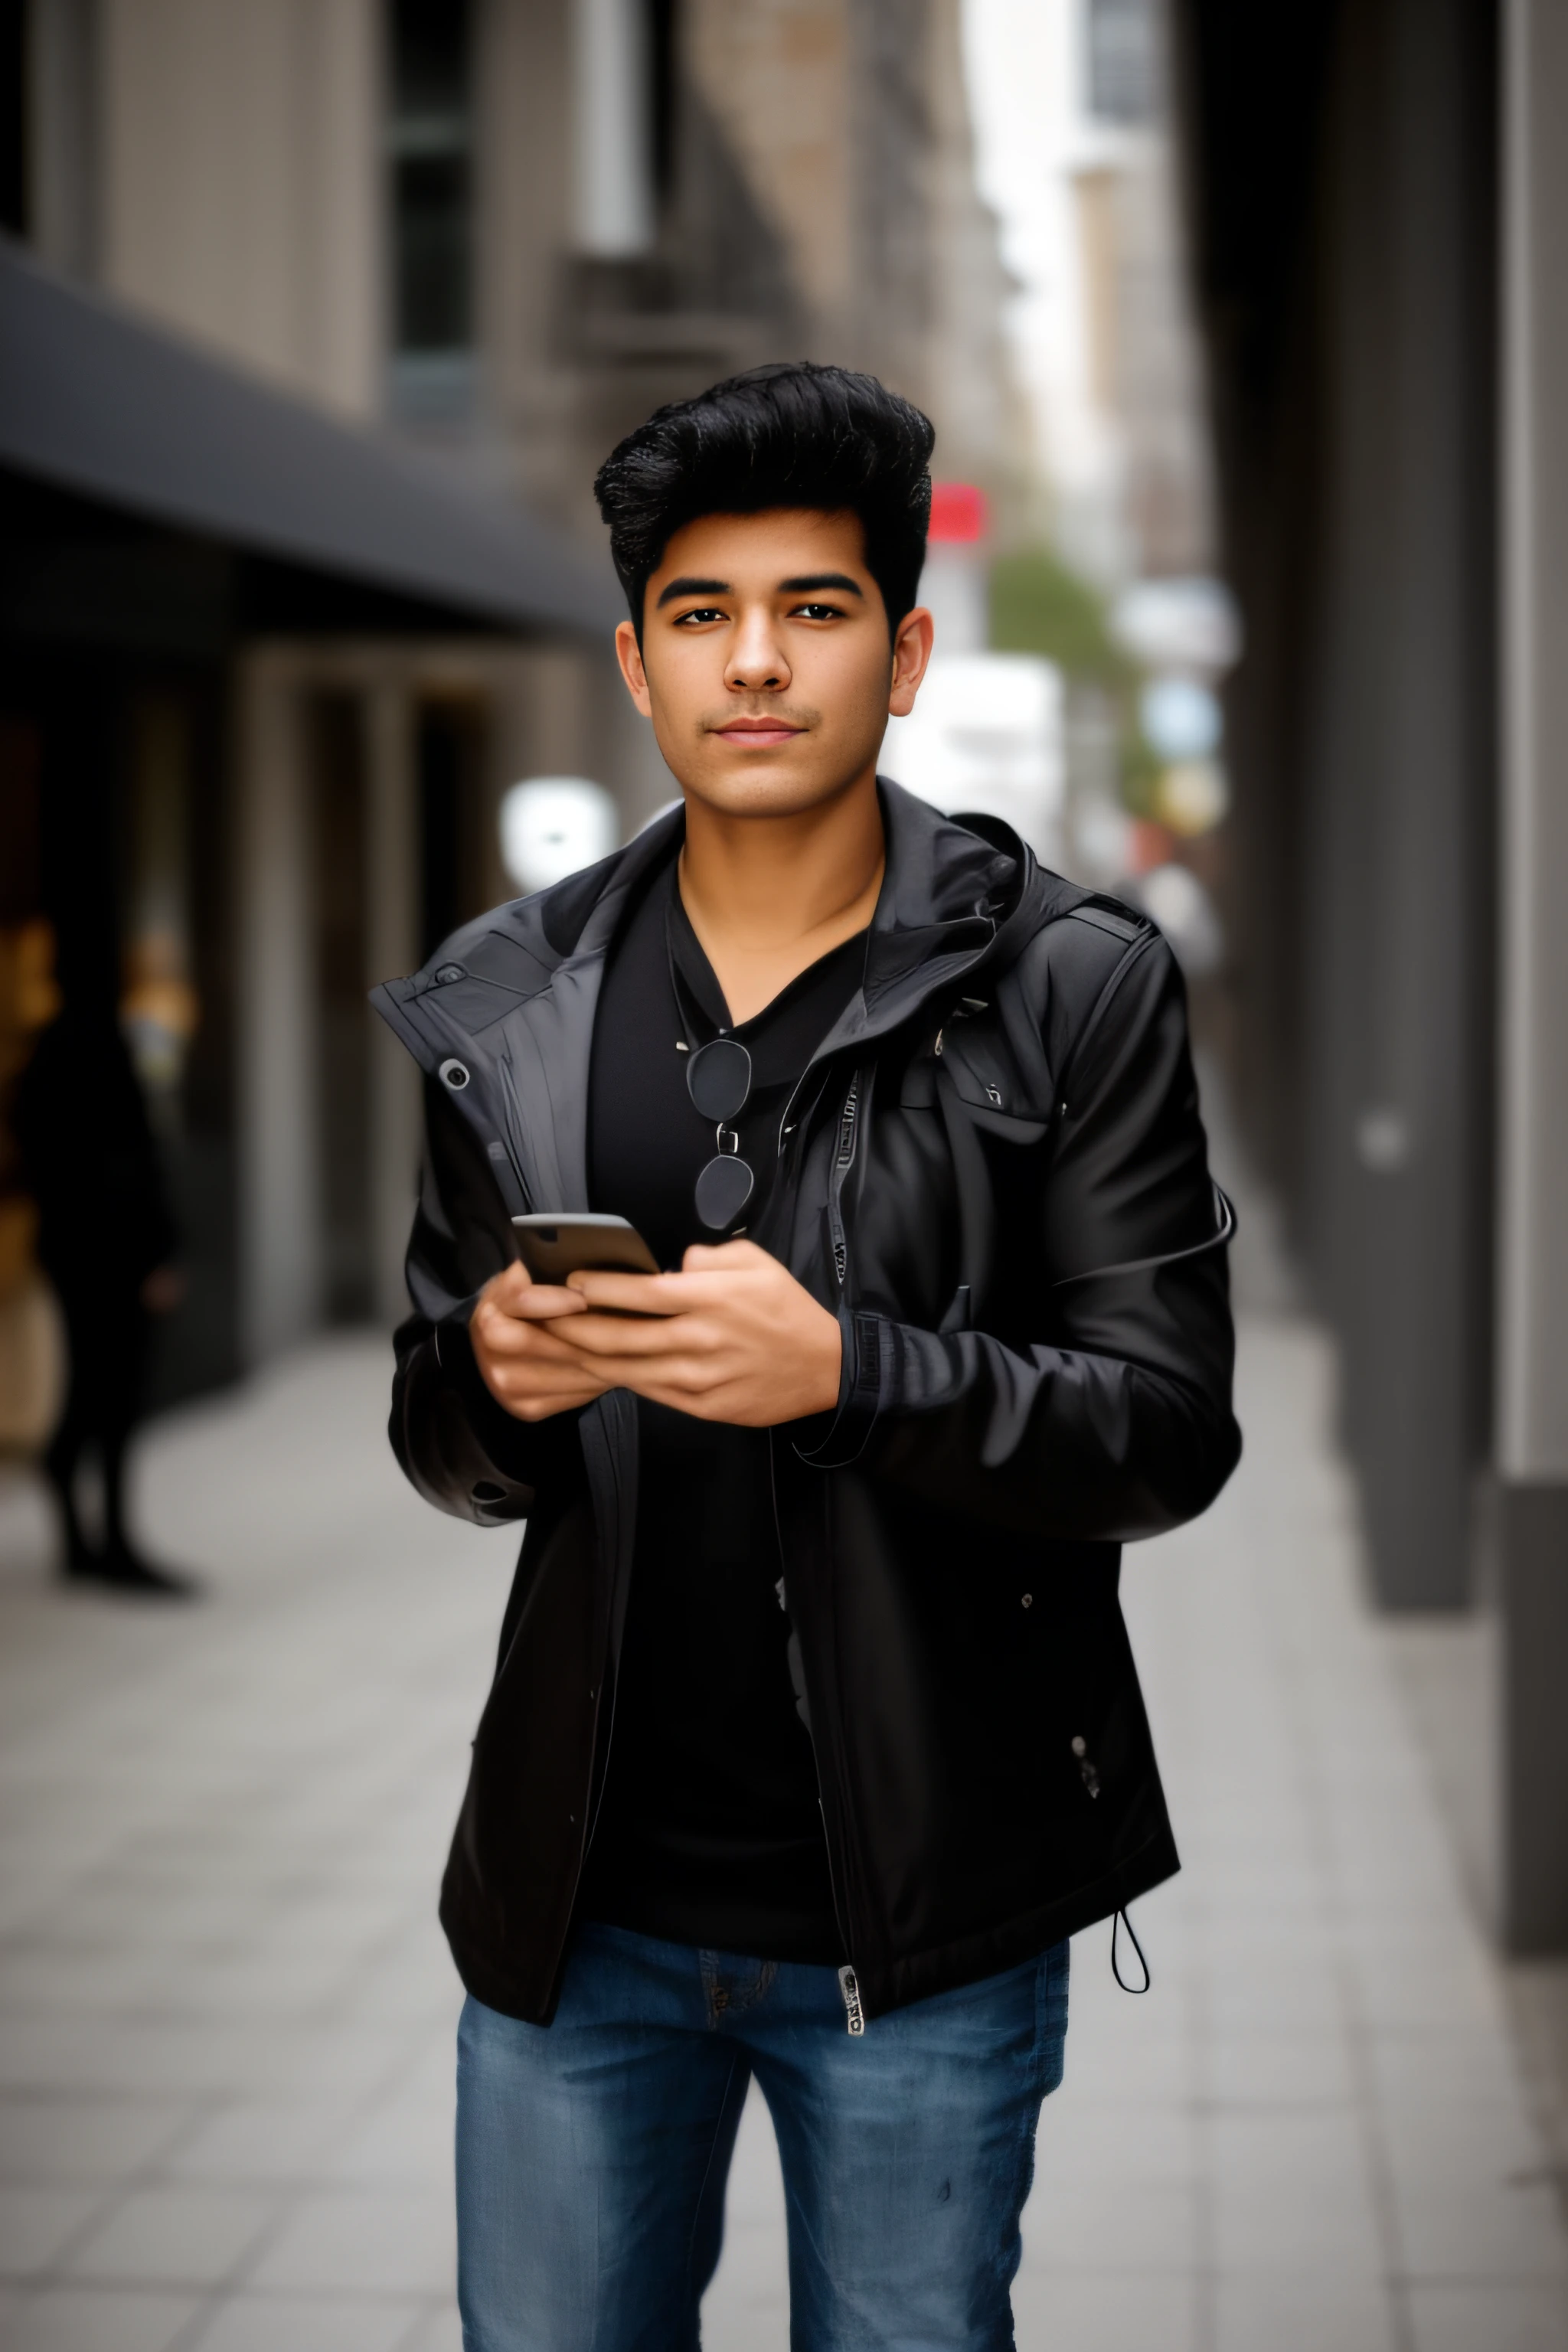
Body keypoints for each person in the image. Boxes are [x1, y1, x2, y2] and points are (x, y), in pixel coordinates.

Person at [375, 362, 1240, 2350]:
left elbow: (1169, 1429)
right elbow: (443, 1435)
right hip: (572, 1910)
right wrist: (498, 1376)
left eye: (814, 608)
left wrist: (849, 1374)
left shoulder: (1073, 987)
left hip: (920, 1920)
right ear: (634, 661)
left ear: (907, 648)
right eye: (701, 615)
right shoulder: (505, 1005)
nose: (754, 663)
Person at [14, 959, 194, 1598]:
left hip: (71, 1250)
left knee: (92, 1392)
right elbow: (135, 1159)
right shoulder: (102, 1050)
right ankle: (108, 1542)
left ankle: (88, 1540)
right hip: (113, 1255)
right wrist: (159, 1252)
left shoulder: (44, 1054)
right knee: (109, 1396)